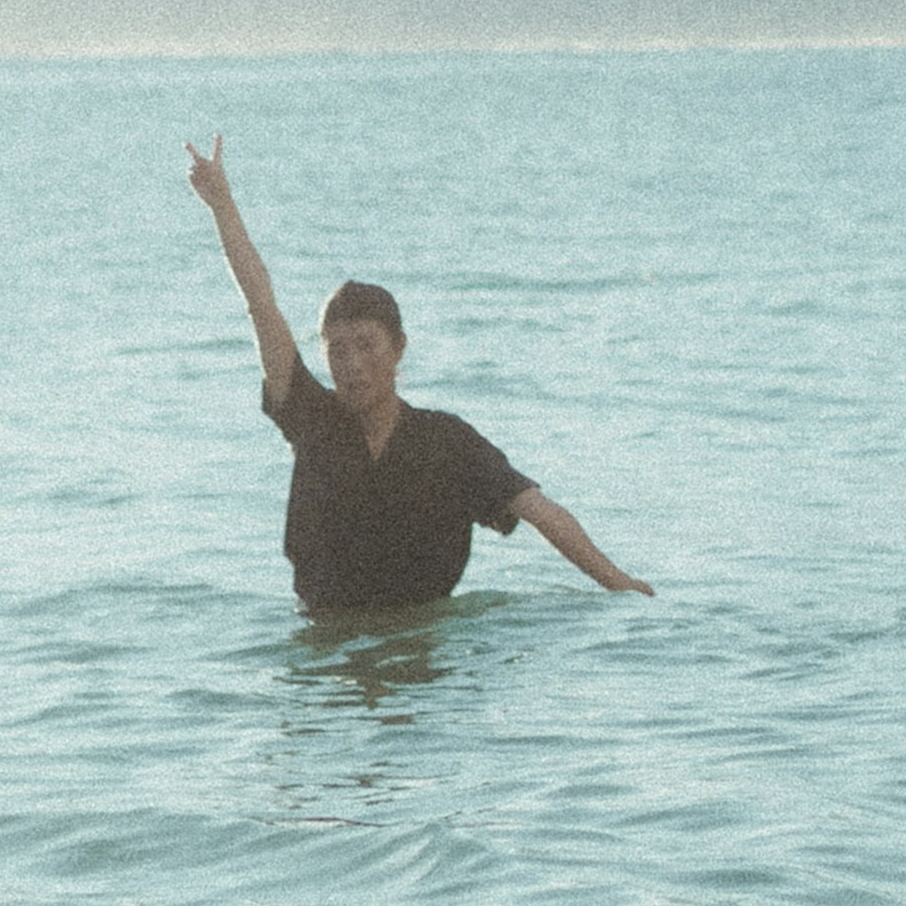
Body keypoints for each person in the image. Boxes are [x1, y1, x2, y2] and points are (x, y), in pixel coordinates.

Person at [188, 136, 654, 615]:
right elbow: (261, 303)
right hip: (327, 639)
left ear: (399, 348)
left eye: (367, 346)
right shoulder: (311, 419)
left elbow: (540, 511)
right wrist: (222, 205)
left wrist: (619, 584)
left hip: (422, 651)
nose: (350, 364)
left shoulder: (447, 441)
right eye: (337, 349)